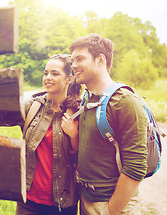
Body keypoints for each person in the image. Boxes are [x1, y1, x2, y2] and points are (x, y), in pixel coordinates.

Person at [66, 33, 147, 215]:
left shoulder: (125, 102)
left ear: (100, 60)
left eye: (79, 59)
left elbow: (136, 167)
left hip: (113, 205)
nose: (73, 66)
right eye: (72, 61)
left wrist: (111, 210)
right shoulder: (87, 99)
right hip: (86, 200)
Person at [16, 54, 82, 215]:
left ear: (69, 79)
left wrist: (74, 136)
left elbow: (83, 162)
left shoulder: (78, 113)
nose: (48, 78)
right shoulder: (31, 106)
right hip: (28, 201)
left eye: (55, 73)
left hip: (63, 203)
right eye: (46, 73)